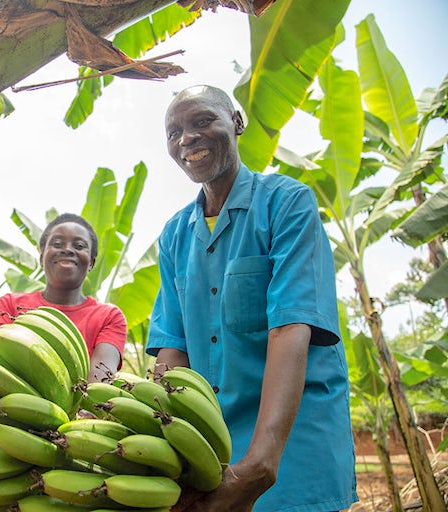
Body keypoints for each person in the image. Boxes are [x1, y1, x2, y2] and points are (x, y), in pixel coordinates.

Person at [146, 85, 358, 512]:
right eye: (174, 132)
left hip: (291, 442)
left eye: (202, 121)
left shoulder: (286, 203)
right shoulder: (174, 235)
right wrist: (169, 447)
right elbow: (173, 348)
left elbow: (290, 326)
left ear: (237, 123)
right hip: (211, 443)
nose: (186, 138)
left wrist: (261, 463)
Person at [0, 213, 126, 383]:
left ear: (91, 263)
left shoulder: (108, 316)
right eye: (57, 243)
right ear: (41, 257)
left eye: (80, 245)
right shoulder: (9, 305)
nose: (67, 249)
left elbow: (99, 382)